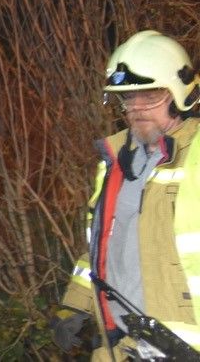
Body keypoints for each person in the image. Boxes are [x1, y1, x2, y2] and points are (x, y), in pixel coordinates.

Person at [54, 30, 200, 357]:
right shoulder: (117, 161)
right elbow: (100, 247)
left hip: (182, 347)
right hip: (119, 343)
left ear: (181, 93)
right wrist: (74, 306)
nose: (137, 108)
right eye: (128, 98)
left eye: (150, 96)